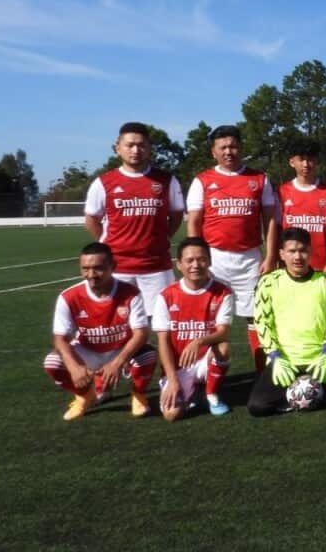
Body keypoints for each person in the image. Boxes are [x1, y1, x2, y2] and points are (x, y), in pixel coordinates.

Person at [185, 124, 276, 373]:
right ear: (213, 151)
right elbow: (194, 222)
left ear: (241, 148)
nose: (229, 151)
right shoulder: (202, 180)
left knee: (257, 319)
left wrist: (270, 256)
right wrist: (197, 258)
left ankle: (262, 375)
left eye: (233, 146)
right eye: (223, 147)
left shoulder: (259, 179)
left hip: (250, 258)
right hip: (214, 259)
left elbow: (269, 220)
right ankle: (202, 380)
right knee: (209, 321)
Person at [247, 228, 326, 416]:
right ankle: (305, 394)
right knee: (257, 407)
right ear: (282, 254)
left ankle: (308, 392)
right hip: (285, 361)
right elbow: (263, 323)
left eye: (303, 250)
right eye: (291, 251)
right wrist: (275, 357)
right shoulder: (267, 283)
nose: (297, 256)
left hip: (319, 359)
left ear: (310, 252)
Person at [42, 242, 156, 420]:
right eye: (85, 269)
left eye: (98, 268)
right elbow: (60, 338)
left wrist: (117, 363)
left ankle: (138, 395)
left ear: (113, 267)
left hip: (120, 350)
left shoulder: (131, 293)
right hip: (88, 351)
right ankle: (86, 396)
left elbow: (141, 333)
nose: (91, 275)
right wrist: (74, 367)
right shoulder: (68, 296)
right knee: (52, 362)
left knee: (148, 355)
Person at [84, 122, 184, 319]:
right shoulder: (104, 182)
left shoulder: (166, 180)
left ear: (149, 148)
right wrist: (107, 243)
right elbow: (91, 218)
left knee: (161, 323)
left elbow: (177, 214)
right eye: (130, 145)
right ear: (118, 148)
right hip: (117, 267)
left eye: (141, 145)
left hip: (156, 266)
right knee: (119, 320)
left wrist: (161, 237)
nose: (136, 150)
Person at [152, 237, 234, 420]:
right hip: (179, 366)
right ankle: (193, 390)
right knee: (171, 415)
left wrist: (199, 341)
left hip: (206, 358)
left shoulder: (222, 292)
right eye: (189, 260)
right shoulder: (166, 296)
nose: (196, 265)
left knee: (223, 347)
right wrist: (173, 381)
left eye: (201, 259)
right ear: (179, 264)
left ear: (210, 261)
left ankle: (211, 394)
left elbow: (224, 332)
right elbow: (163, 342)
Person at [268, 137, 326, 274]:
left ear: (317, 161)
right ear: (292, 162)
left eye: (310, 159)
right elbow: (276, 231)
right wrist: (275, 259)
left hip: (322, 268)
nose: (306, 164)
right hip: (290, 269)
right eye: (301, 159)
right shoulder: (282, 193)